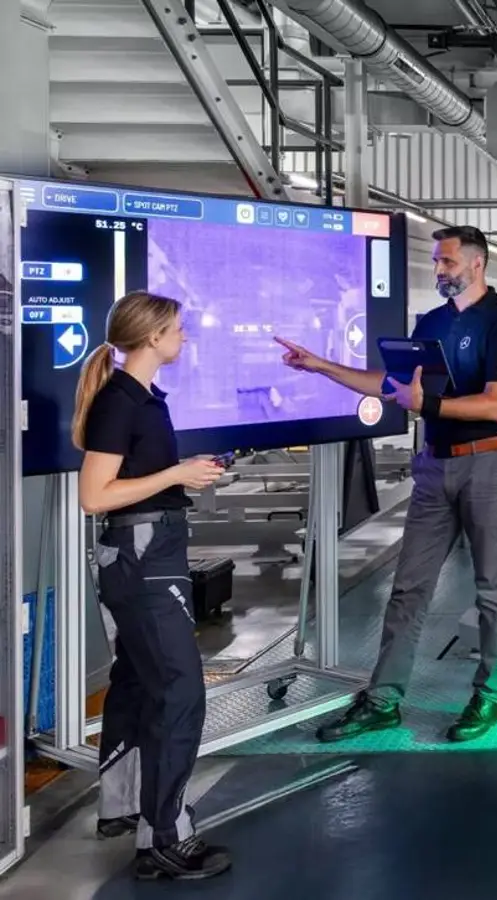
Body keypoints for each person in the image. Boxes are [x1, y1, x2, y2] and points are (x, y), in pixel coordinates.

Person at [276, 225, 497, 744]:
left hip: (490, 462)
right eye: (436, 261)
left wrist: (426, 404)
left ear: (476, 264)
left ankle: (489, 696)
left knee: (492, 588)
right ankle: (384, 700)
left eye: (447, 261)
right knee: (409, 587)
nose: (439, 269)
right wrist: (320, 367)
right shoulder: (431, 323)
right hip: (435, 467)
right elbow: (392, 385)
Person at [74, 291, 231, 881]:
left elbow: (135, 479)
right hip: (141, 557)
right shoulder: (120, 402)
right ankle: (164, 839)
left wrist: (181, 480)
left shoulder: (143, 398)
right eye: (178, 329)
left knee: (138, 680)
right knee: (179, 690)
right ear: (152, 337)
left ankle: (120, 806)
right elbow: (94, 495)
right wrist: (175, 474)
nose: (184, 336)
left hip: (150, 548)